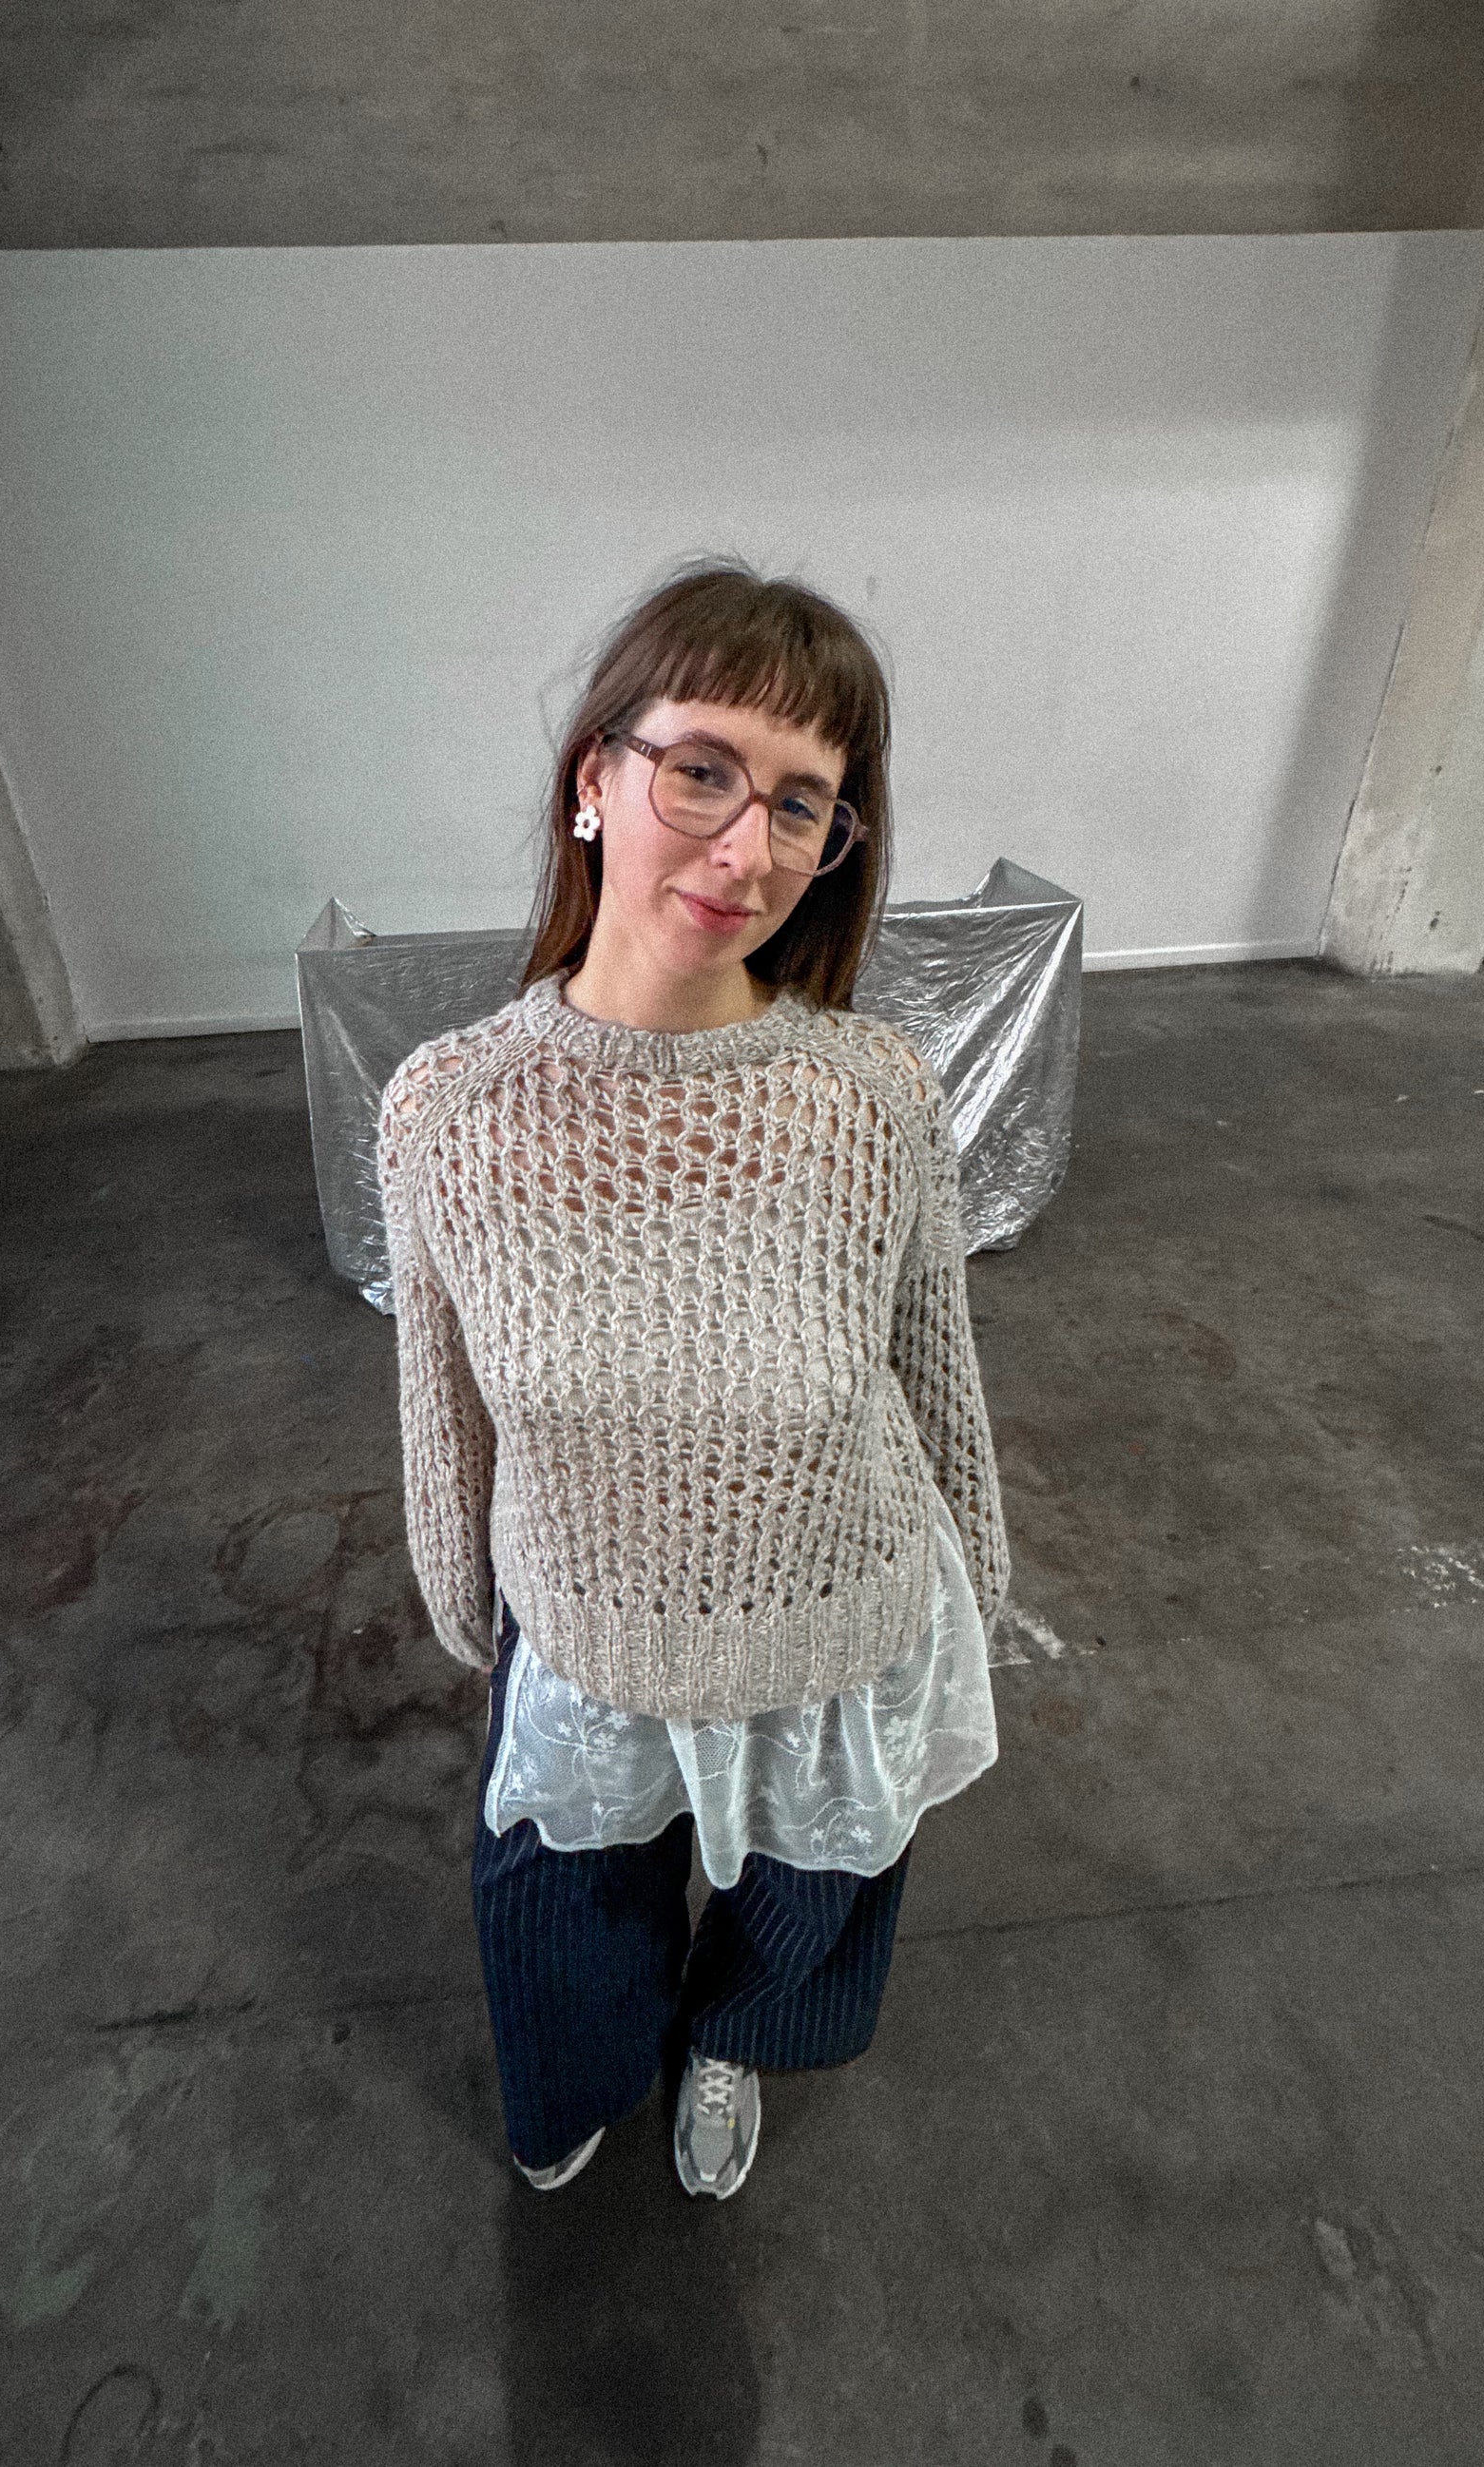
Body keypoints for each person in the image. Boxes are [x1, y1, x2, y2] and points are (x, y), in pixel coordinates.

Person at [376, 559, 1012, 2201]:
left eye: (802, 804)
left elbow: (928, 1354)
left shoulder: (867, 1092)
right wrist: (461, 1588)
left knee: (813, 1885)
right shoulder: (451, 1110)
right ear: (593, 780)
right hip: (586, 1608)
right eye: (702, 771)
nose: (747, 849)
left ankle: (734, 2037)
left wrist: (981, 1568)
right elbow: (441, 1391)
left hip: (841, 1602)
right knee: (559, 1890)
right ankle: (587, 2072)